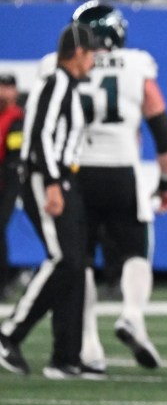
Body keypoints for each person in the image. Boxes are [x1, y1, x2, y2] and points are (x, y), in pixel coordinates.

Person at [39, 1, 167, 374]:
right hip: (121, 172)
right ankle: (132, 314)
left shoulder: (56, 66)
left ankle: (89, 346)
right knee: (135, 251)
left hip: (75, 172)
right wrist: (166, 181)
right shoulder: (136, 64)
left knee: (81, 259)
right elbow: (162, 129)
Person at [0, 23, 98, 379]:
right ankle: (9, 334)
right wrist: (53, 182)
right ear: (79, 53)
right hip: (46, 177)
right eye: (91, 53)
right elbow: (41, 133)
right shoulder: (56, 82)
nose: (94, 60)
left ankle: (65, 355)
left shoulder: (67, 85)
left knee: (75, 265)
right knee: (63, 259)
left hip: (61, 176)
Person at [0, 73, 24, 297]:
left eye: (8, 87)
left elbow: (14, 157)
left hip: (8, 180)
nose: (3, 91)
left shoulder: (17, 118)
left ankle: (2, 283)